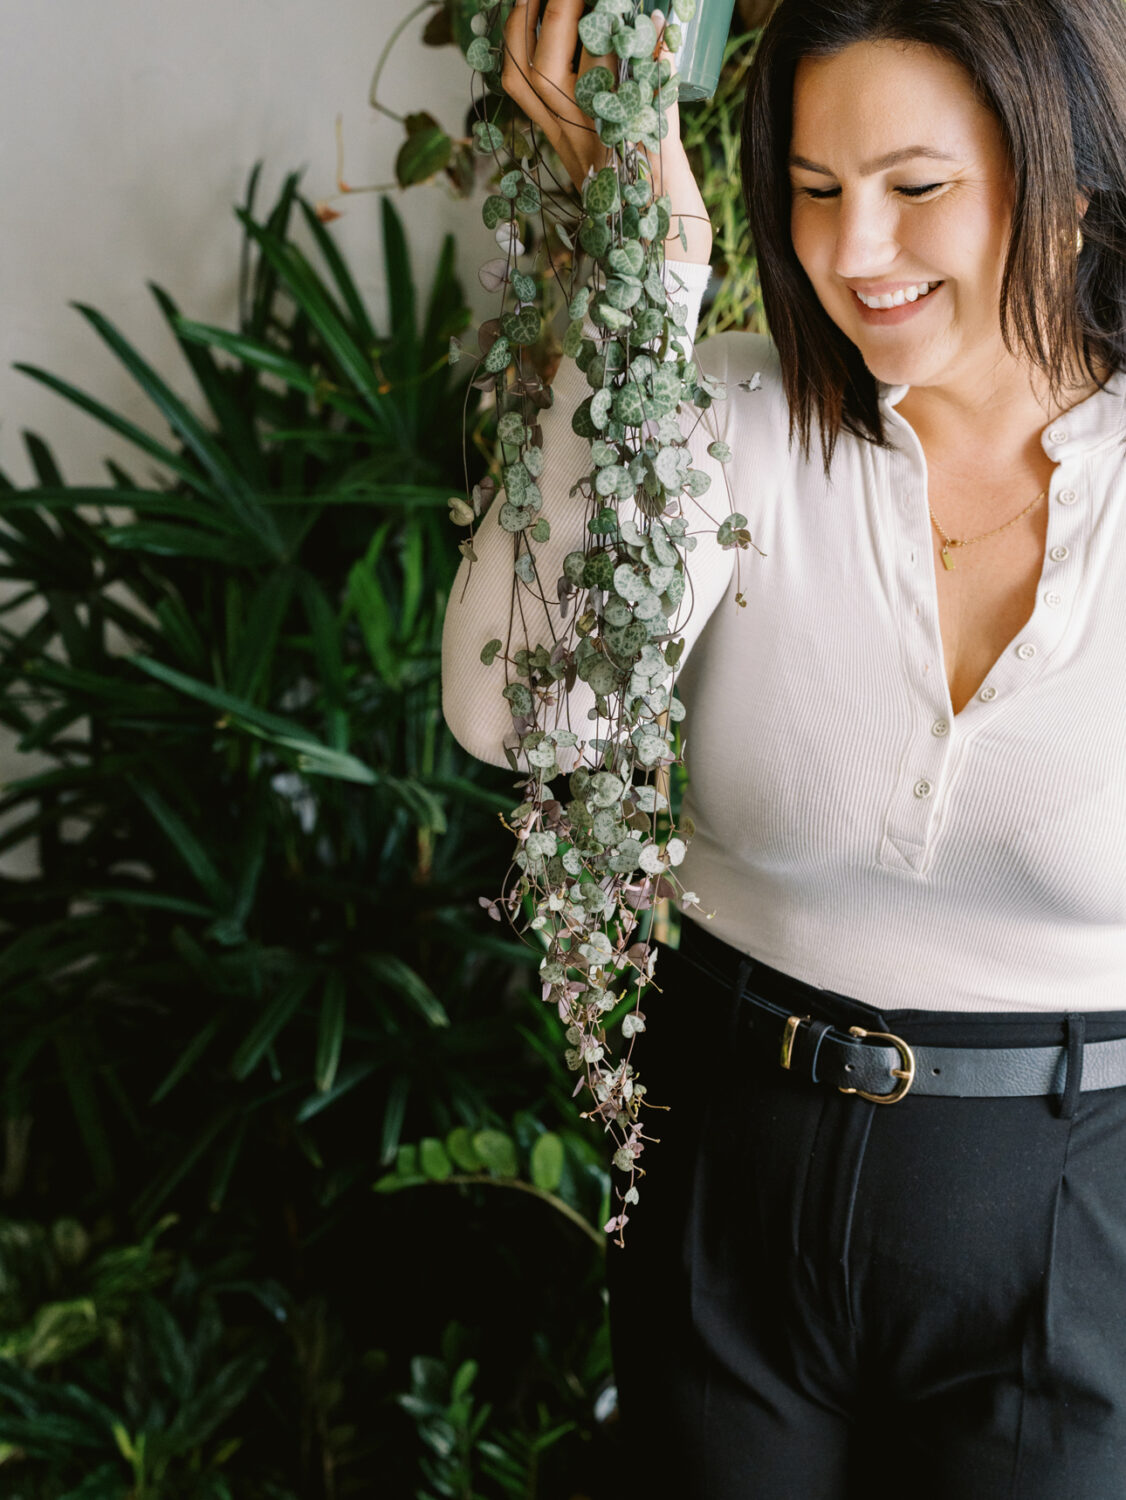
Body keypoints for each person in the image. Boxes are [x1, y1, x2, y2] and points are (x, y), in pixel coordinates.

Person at [441, 0, 1126, 1493]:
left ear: (1067, 184)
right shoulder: (734, 414)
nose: (854, 252)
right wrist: (645, 282)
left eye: (915, 186)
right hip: (727, 1165)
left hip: (1075, 1216)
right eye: (811, 192)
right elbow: (527, 712)